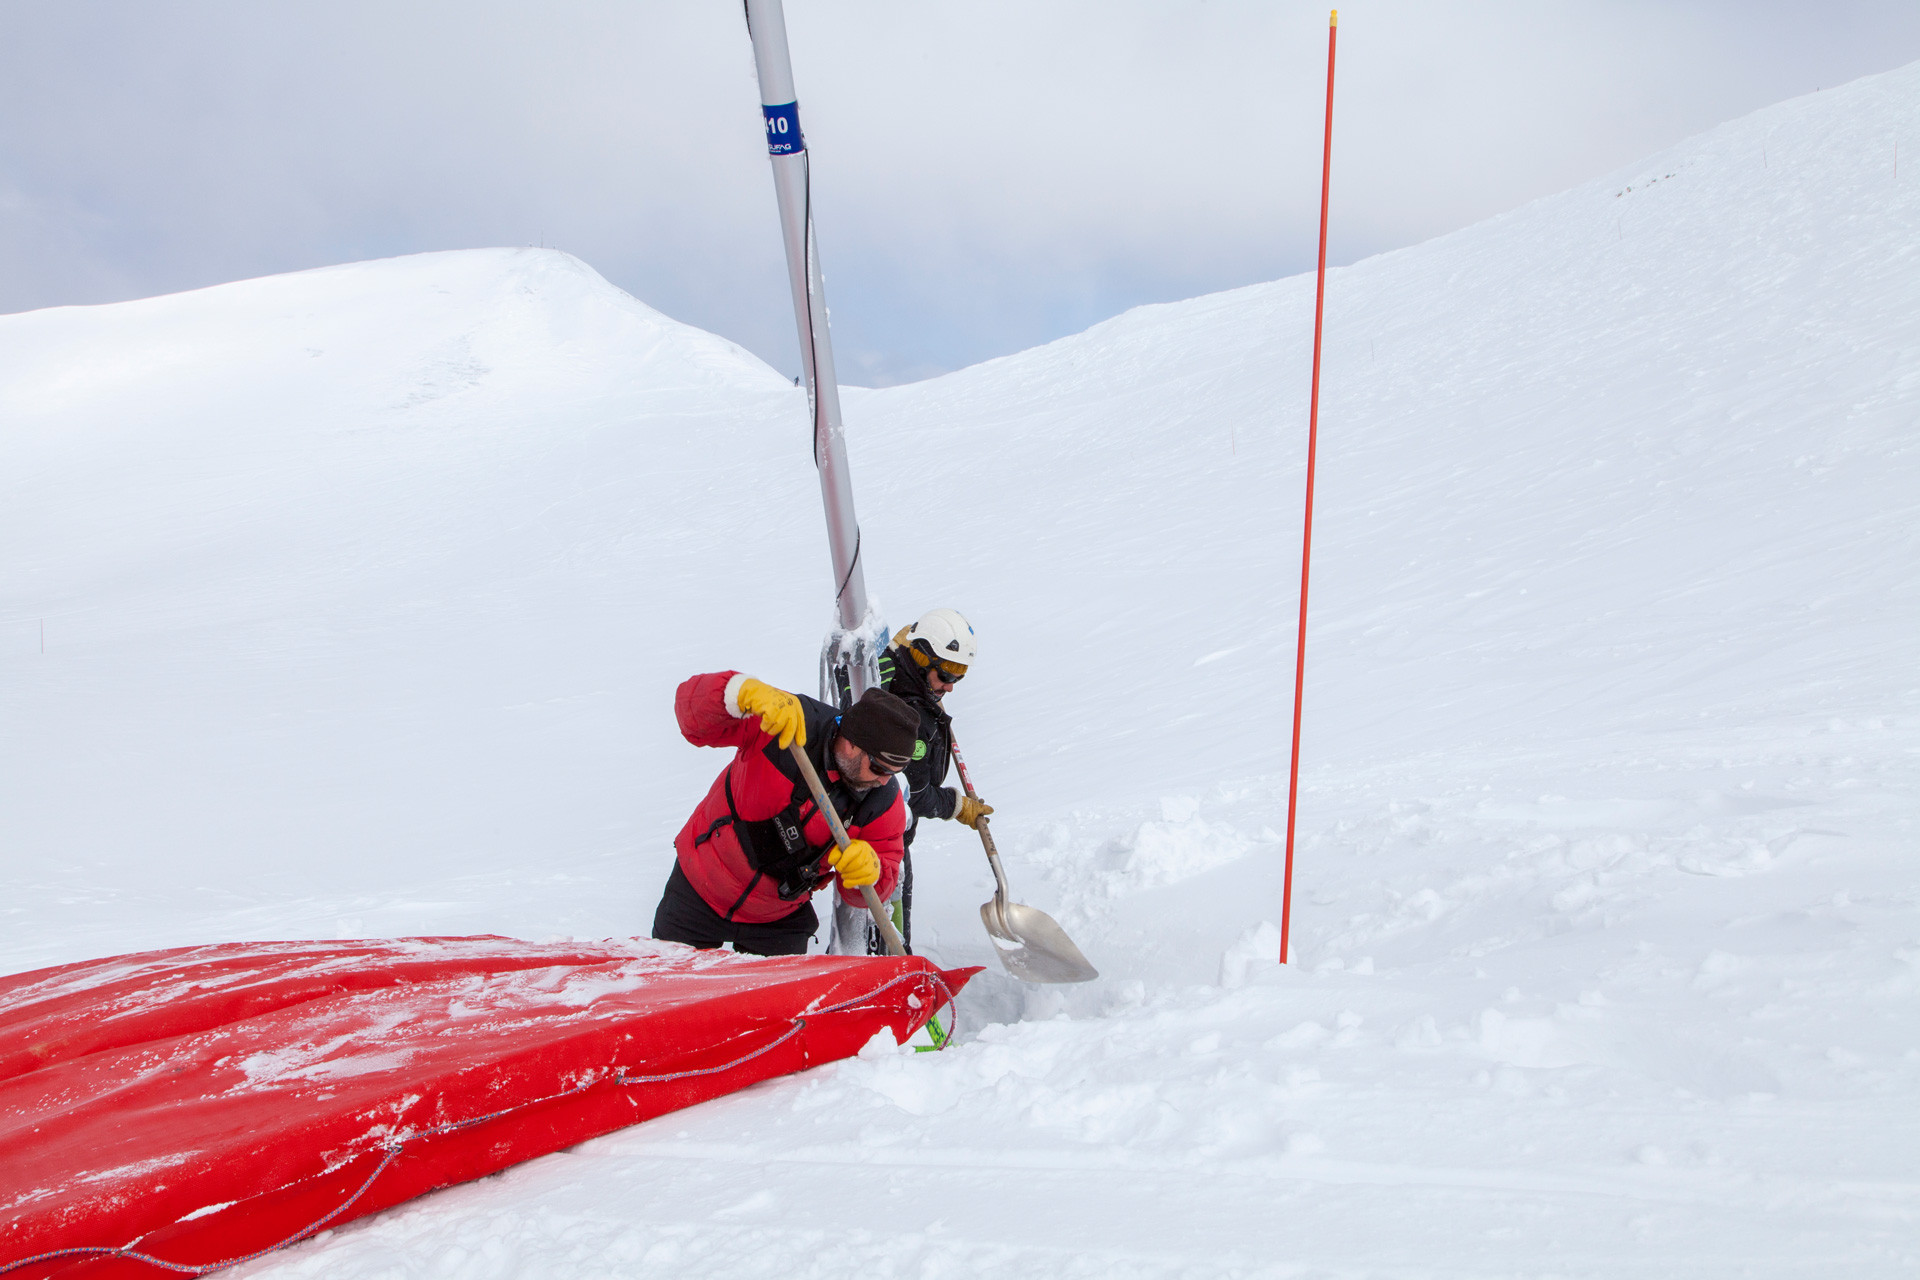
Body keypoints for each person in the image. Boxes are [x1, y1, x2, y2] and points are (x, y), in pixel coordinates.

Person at [651, 671, 921, 956]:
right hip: (700, 887)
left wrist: (872, 872)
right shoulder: (788, 724)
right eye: (880, 768)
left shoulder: (882, 804)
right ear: (853, 743)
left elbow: (866, 892)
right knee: (667, 990)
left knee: (773, 1001)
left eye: (894, 774)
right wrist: (736, 692)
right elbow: (692, 720)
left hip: (777, 916)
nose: (883, 781)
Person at [832, 608, 993, 954]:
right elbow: (909, 793)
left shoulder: (900, 672)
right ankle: (892, 987)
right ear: (921, 659)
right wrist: (956, 806)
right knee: (887, 932)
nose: (950, 686)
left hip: (884, 833)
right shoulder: (908, 716)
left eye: (960, 675)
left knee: (881, 927)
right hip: (881, 840)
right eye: (946, 674)